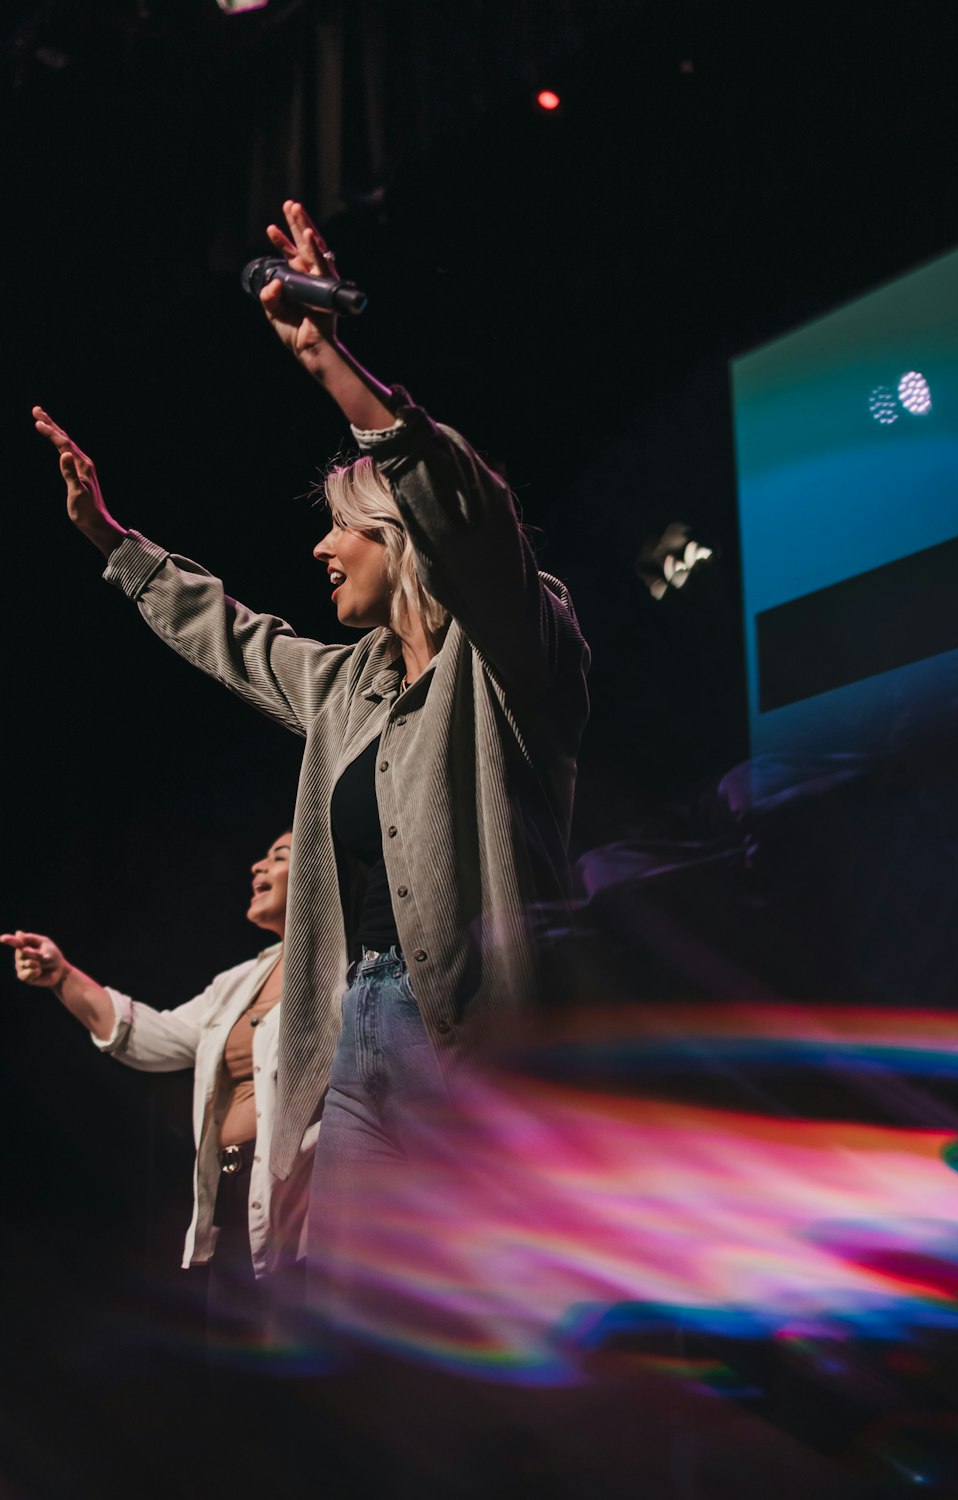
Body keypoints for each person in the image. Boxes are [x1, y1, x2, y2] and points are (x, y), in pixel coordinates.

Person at [31, 198, 590, 1307]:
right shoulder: (345, 687)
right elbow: (232, 638)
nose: (320, 546)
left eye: (342, 525)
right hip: (353, 1034)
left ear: (398, 538)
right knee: (359, 1322)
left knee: (483, 1315)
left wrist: (332, 364)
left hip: (467, 1033)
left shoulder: (516, 654)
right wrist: (110, 540)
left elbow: (470, 520)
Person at [2, 831, 313, 1340]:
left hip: (301, 1196)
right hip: (232, 1194)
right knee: (237, 1369)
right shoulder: (238, 982)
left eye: (278, 857)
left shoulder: (343, 971)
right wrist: (62, 976)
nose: (257, 868)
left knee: (296, 1355)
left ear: (318, 872)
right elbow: (154, 1039)